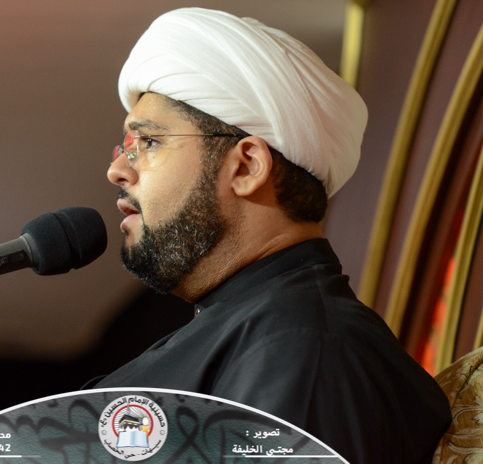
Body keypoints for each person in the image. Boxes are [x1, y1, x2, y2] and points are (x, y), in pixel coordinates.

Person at [92, 7, 451, 464]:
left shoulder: (303, 347)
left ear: (246, 166)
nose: (117, 170)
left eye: (149, 142)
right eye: (126, 147)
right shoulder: (263, 331)